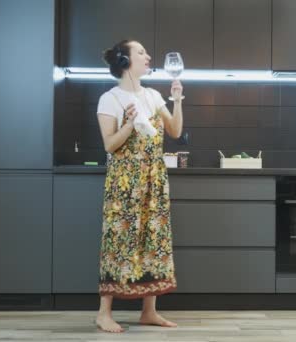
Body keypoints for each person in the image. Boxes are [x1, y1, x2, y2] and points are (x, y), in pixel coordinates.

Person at [94, 39, 184, 333]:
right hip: (124, 184)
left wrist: (177, 100)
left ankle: (149, 311)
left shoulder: (154, 96)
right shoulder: (110, 98)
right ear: (125, 61)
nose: (148, 56)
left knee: (153, 242)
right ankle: (103, 313)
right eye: (141, 52)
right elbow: (110, 145)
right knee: (118, 243)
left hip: (154, 180)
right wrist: (129, 125)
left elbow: (174, 131)